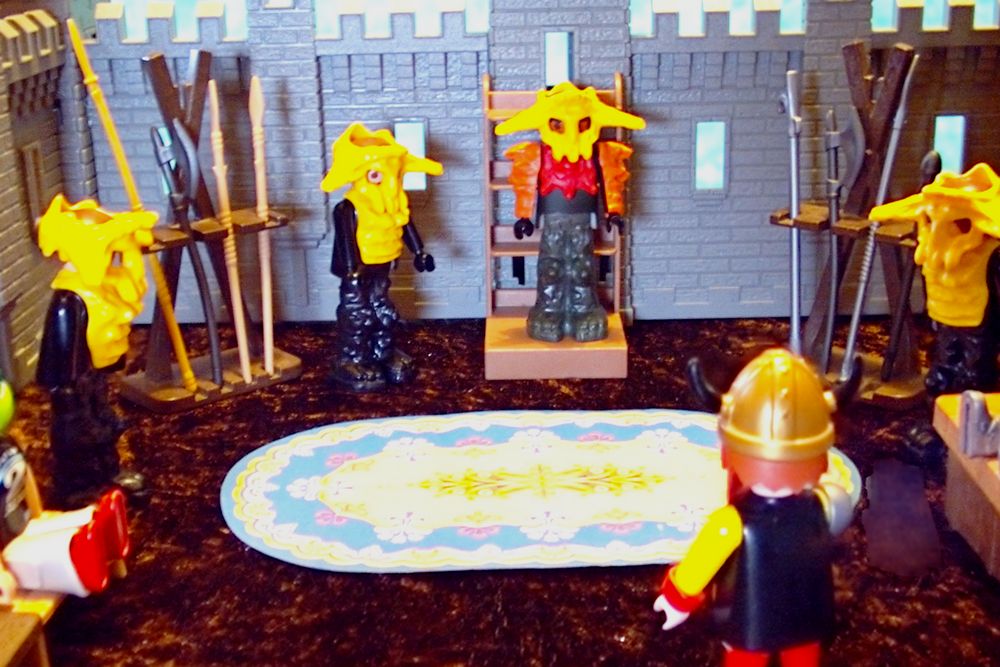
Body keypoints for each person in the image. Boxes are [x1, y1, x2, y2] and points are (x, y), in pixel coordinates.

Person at [656, 349, 854, 667]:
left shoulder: (730, 523)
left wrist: (677, 599)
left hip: (749, 622)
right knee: (803, 657)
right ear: (820, 457)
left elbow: (697, 568)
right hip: (806, 620)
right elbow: (837, 519)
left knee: (746, 659)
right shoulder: (823, 506)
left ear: (730, 452)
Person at [320, 123, 442, 392]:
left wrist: (419, 252)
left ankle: (382, 353)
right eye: (377, 174)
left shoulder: (393, 203)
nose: (388, 183)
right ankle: (352, 359)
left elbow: (405, 225)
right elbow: (346, 240)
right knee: (357, 314)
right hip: (358, 271)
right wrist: (351, 270)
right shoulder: (349, 207)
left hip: (383, 265)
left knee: (383, 310)